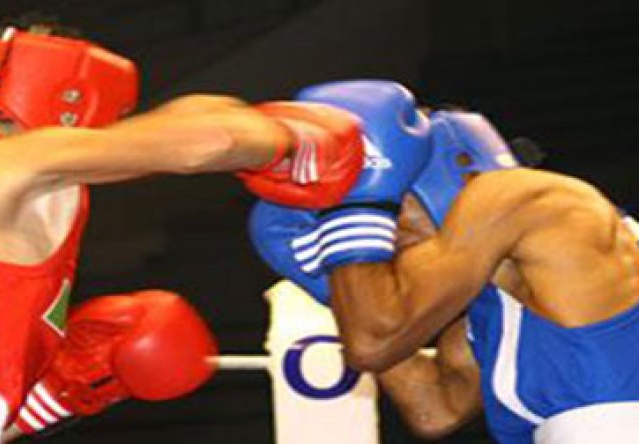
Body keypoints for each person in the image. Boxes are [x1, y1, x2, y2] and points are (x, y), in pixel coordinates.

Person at [0, 21, 363, 443]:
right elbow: (206, 142)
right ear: (76, 99)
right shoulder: (4, 164)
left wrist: (54, 395)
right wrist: (295, 139)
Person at [248, 79, 639, 443]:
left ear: (451, 170)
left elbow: (371, 344)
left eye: (391, 207)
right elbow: (435, 409)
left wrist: (357, 205)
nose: (389, 234)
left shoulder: (526, 198)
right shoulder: (495, 306)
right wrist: (344, 290)